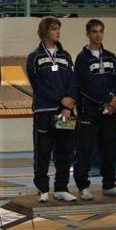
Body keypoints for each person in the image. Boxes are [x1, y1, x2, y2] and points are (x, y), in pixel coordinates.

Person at [73, 20, 116, 200]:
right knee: (85, 150)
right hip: (89, 112)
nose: (98, 35)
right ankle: (83, 186)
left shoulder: (111, 56)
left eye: (101, 32)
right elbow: (86, 85)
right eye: (94, 32)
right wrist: (106, 99)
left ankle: (109, 184)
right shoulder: (82, 58)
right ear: (88, 34)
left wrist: (115, 102)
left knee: (110, 149)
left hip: (109, 112)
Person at [26, 16, 78, 202]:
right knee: (43, 151)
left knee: (65, 150)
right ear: (45, 31)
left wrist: (69, 103)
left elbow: (73, 80)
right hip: (44, 111)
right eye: (54, 29)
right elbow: (39, 85)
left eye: (58, 29)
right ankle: (42, 189)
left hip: (65, 112)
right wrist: (60, 99)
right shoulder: (35, 57)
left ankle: (61, 187)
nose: (57, 32)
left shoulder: (65, 56)